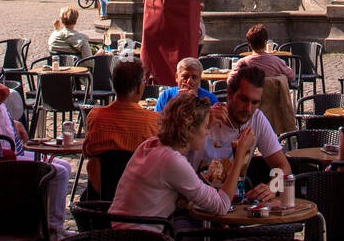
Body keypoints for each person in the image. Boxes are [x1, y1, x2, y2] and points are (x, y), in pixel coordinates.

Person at [109, 93, 256, 226]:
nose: (207, 133)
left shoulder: (150, 145)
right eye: (205, 127)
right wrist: (240, 155)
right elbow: (221, 206)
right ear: (190, 128)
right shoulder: (172, 160)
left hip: (114, 234)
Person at [0, 51, 71, 237]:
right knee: (61, 171)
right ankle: (53, 226)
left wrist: (13, 122)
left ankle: (52, 222)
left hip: (11, 150)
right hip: (7, 158)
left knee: (63, 165)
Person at [192, 65, 291, 186]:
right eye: (243, 99)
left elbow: (283, 167)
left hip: (234, 200)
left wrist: (271, 188)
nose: (248, 109)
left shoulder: (257, 119)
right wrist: (203, 125)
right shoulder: (206, 117)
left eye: (255, 102)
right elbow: (173, 155)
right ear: (230, 94)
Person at [82, 56, 158, 193]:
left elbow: (87, 151)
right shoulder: (153, 121)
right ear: (139, 88)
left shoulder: (96, 116)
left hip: (101, 196)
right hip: (139, 196)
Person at [155, 58, 219, 112]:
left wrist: (196, 102)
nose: (189, 81)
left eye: (194, 77)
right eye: (185, 77)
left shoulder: (210, 98)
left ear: (200, 79)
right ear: (177, 77)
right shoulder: (166, 96)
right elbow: (157, 122)